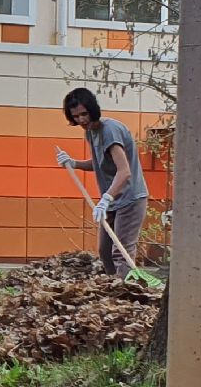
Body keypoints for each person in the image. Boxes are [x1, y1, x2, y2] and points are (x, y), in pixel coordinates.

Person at [55, 87, 150, 278]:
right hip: (113, 201)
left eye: (84, 113)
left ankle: (126, 294)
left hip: (130, 199)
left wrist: (106, 198)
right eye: (75, 116)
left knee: (121, 252)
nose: (81, 120)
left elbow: (124, 172)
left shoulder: (110, 131)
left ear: (93, 109)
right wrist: (74, 163)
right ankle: (113, 287)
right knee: (105, 251)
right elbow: (100, 163)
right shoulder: (91, 132)